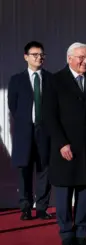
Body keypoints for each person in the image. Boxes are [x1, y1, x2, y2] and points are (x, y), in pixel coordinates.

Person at [43, 42, 86, 245]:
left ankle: (82, 235)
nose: (85, 61)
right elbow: (49, 117)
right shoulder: (55, 81)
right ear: (69, 58)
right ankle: (66, 235)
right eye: (80, 57)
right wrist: (62, 143)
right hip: (65, 149)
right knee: (64, 195)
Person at [7, 41, 53, 221]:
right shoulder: (16, 80)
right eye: (35, 55)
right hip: (25, 132)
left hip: (45, 131)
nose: (39, 58)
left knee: (44, 170)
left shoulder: (50, 79)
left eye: (42, 55)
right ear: (26, 57)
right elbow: (13, 106)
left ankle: (42, 207)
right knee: (24, 171)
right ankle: (25, 207)